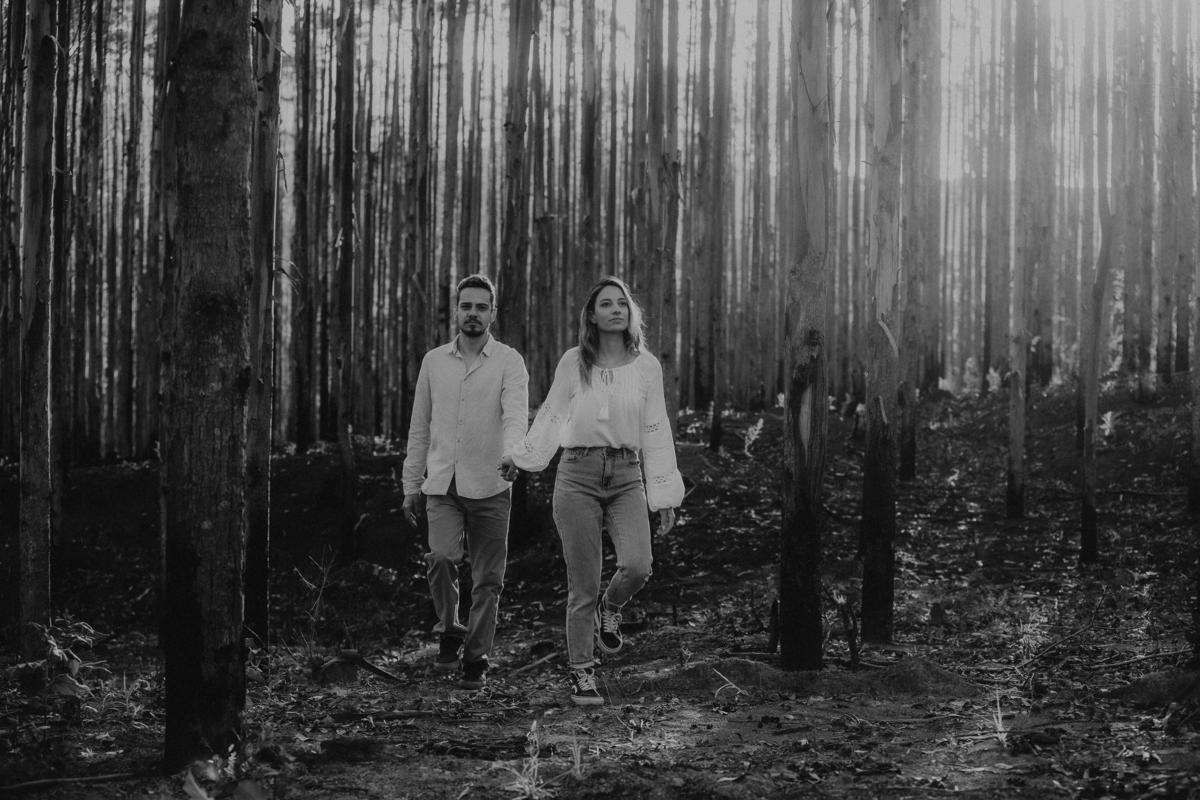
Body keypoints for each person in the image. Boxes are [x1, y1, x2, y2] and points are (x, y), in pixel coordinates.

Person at [500, 276, 684, 706]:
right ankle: (582, 672)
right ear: (593, 316)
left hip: (627, 474)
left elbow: (657, 430)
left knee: (638, 565)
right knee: (582, 584)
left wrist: (664, 495)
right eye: (606, 304)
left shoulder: (647, 367)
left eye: (622, 303)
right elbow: (551, 415)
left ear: (630, 313)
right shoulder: (573, 362)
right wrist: (521, 457)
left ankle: (612, 607)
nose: (616, 309)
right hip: (577, 474)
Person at [402, 274, 529, 690]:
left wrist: (513, 454)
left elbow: (515, 414)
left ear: (493, 313)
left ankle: (476, 657)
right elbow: (419, 426)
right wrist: (410, 484)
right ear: (456, 310)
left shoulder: (509, 361)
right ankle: (450, 627)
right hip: (442, 483)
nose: (473, 313)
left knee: (489, 579)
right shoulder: (434, 362)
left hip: (492, 483)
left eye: (481, 307)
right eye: (466, 306)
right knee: (440, 557)